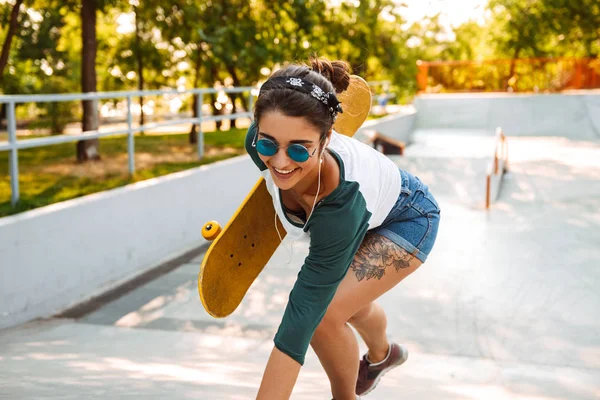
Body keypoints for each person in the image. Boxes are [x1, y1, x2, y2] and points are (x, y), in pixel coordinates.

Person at [244, 57, 441, 400]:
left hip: (409, 215)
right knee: (346, 301)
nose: (279, 161)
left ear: (327, 139)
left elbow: (297, 324)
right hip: (367, 207)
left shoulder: (341, 209)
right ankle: (384, 356)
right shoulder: (259, 142)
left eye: (299, 149)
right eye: (267, 143)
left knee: (324, 315)